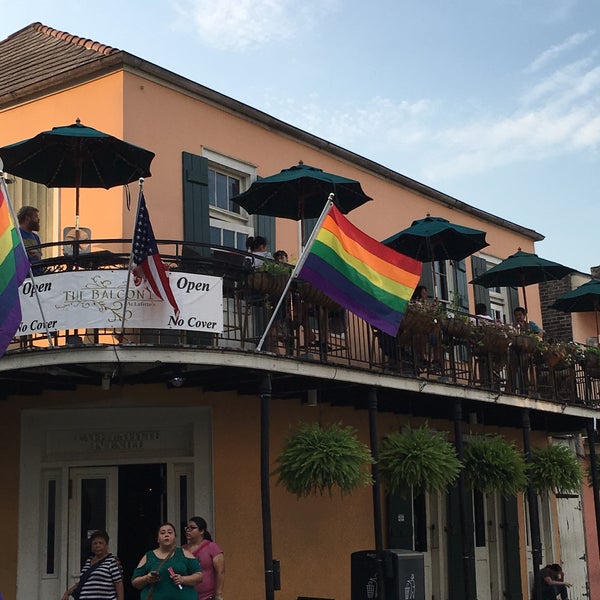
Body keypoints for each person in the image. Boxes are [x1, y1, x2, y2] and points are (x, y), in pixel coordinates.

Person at [132, 522, 202, 600]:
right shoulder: (149, 556)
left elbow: (199, 576)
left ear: (175, 537)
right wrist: (147, 578)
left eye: (170, 532)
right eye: (162, 533)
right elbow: (135, 582)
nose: (166, 535)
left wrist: (183, 579)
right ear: (158, 539)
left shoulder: (185, 554)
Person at [61, 530, 124, 600]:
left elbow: (119, 585)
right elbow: (82, 582)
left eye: (101, 543)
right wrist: (67, 593)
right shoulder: (88, 561)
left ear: (106, 545)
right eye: (95, 543)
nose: (97, 545)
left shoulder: (112, 561)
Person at [183, 517, 225, 600]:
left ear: (201, 531)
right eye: (187, 528)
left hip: (208, 596)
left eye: (192, 528)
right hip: (187, 595)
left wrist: (218, 594)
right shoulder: (183, 550)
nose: (188, 530)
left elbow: (220, 571)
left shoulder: (212, 547)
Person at [17, 205, 43, 273]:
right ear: (27, 218)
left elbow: (39, 257)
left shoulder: (36, 237)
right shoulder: (15, 235)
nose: (38, 220)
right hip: (24, 277)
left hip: (38, 277)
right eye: (36, 217)